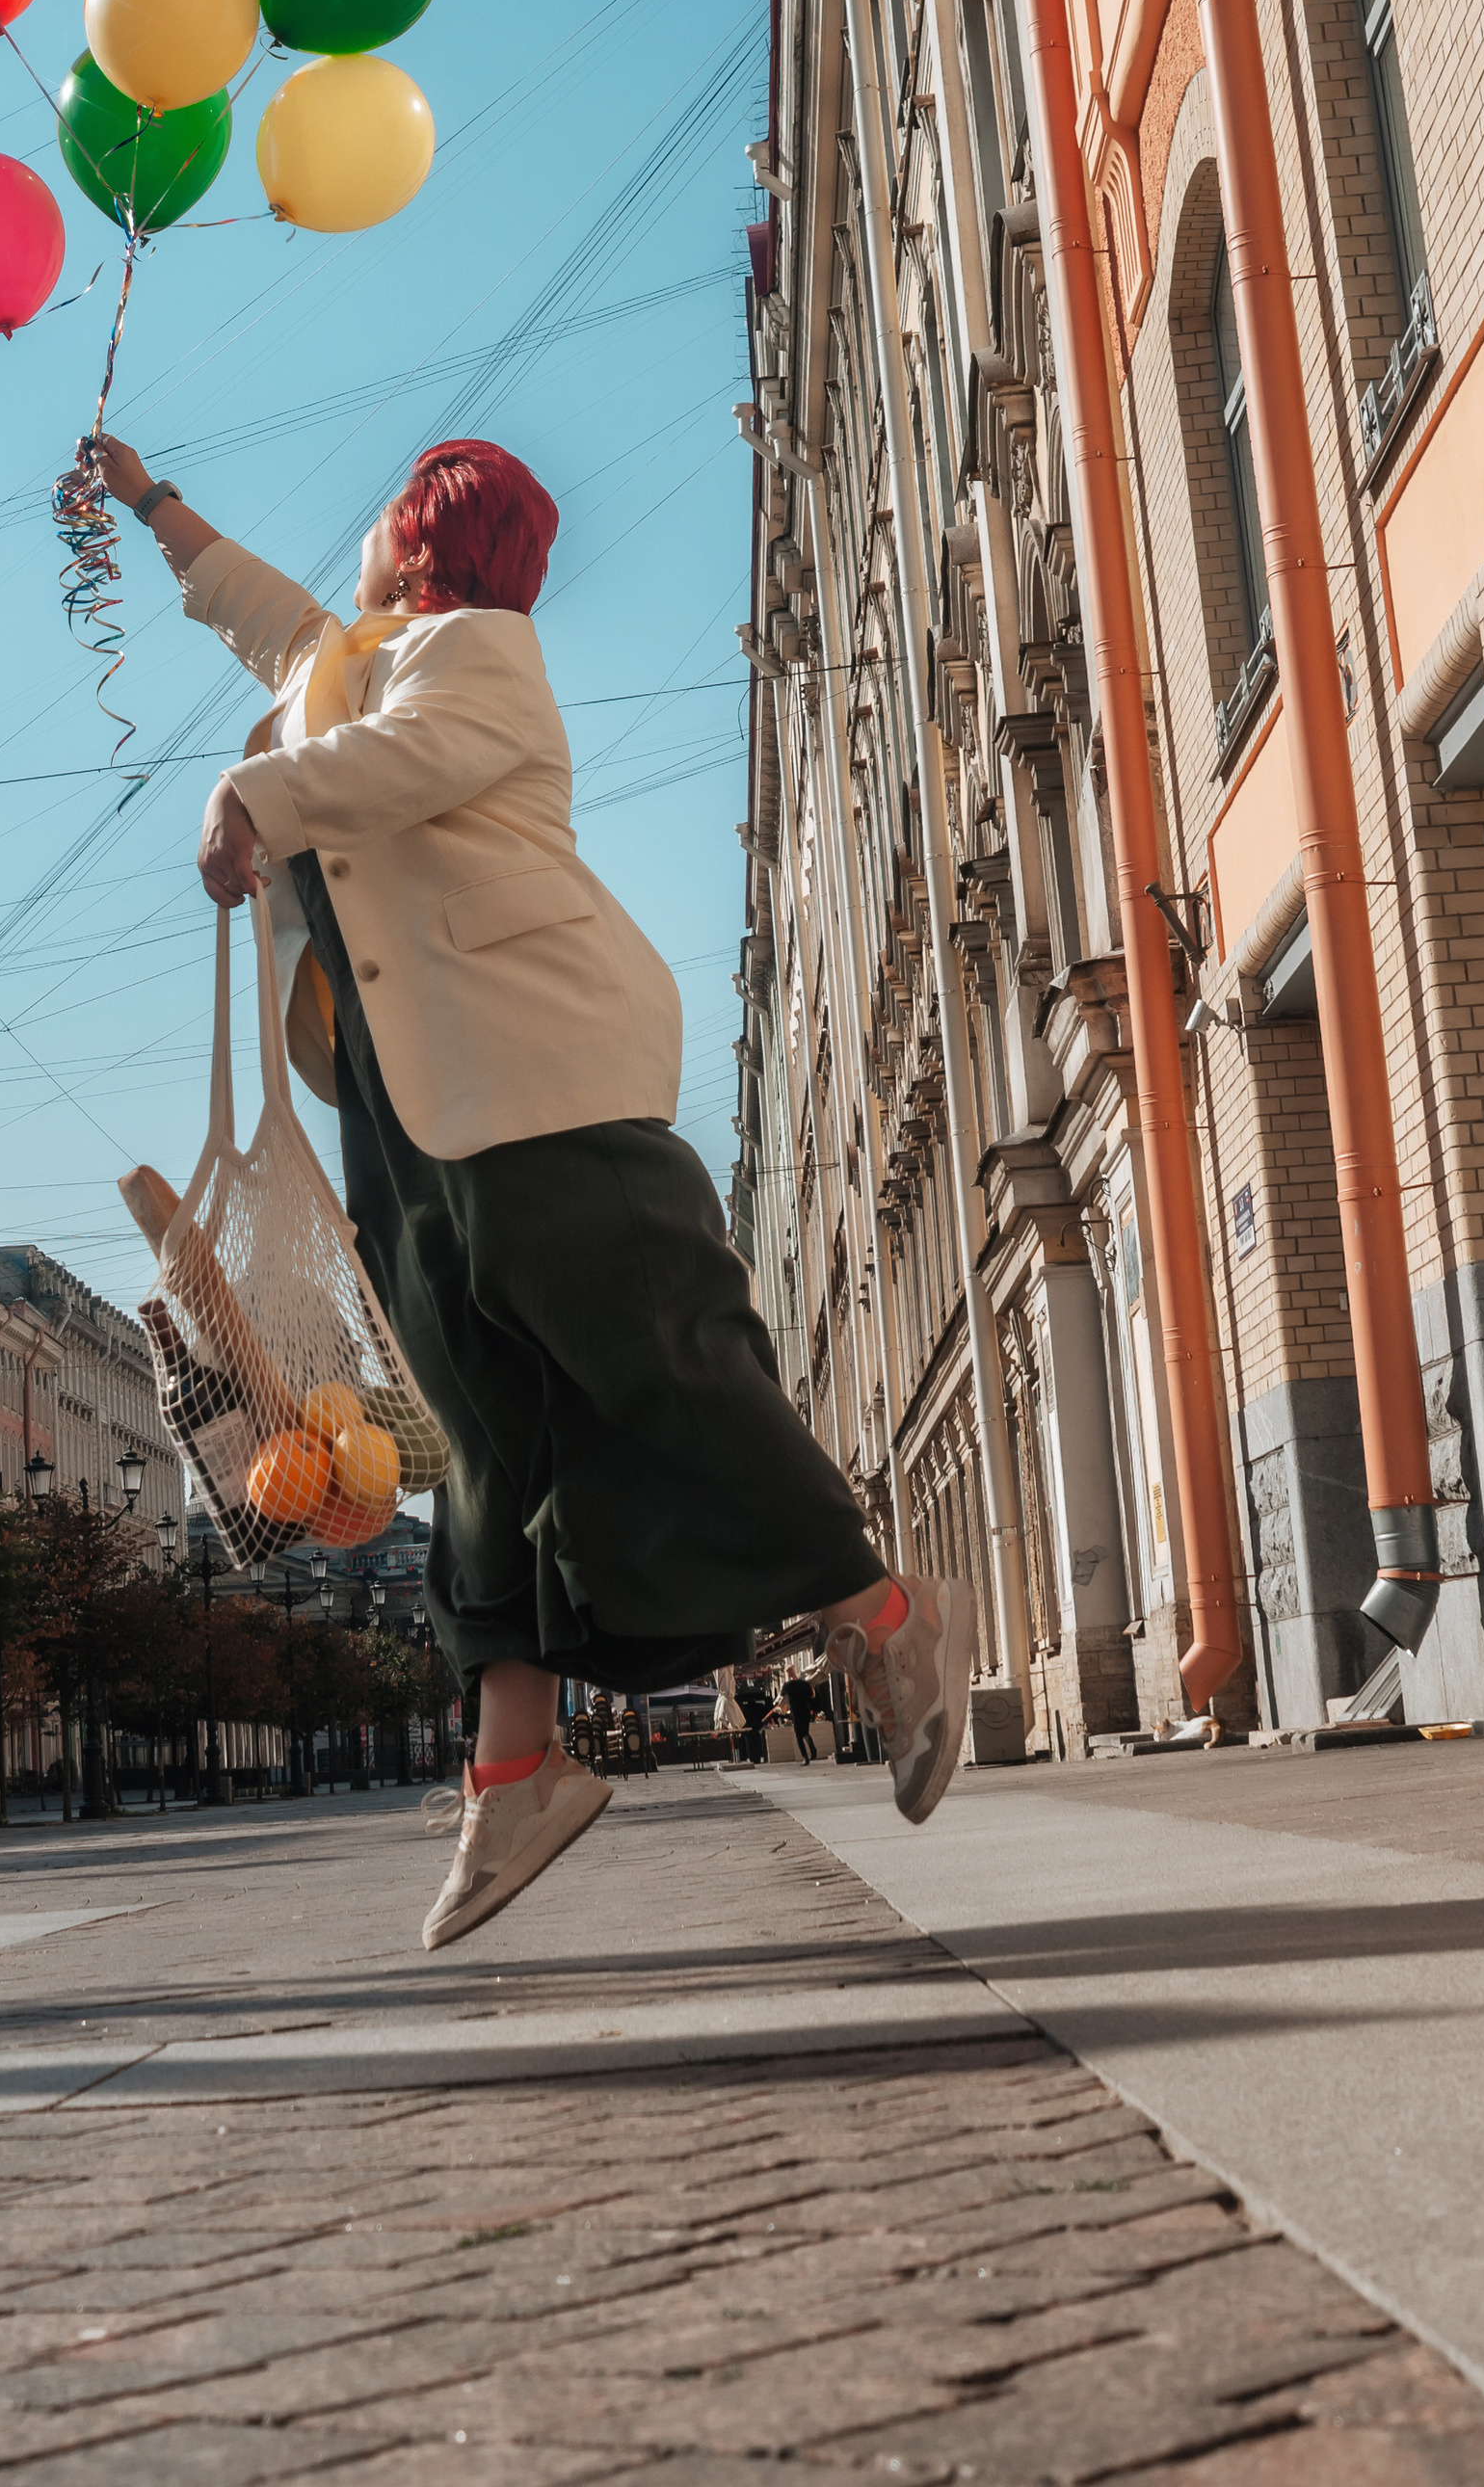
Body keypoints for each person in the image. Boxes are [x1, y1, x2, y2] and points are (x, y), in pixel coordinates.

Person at [95, 429, 975, 1950]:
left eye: (382, 514)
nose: (357, 543)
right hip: (402, 1107)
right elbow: (264, 615)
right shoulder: (339, 663)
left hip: (541, 1070)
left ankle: (882, 1615)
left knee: (661, 1360)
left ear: (421, 538)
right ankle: (514, 1770)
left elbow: (409, 761)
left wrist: (251, 792)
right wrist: (150, 505)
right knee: (483, 1434)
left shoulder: (477, 655)